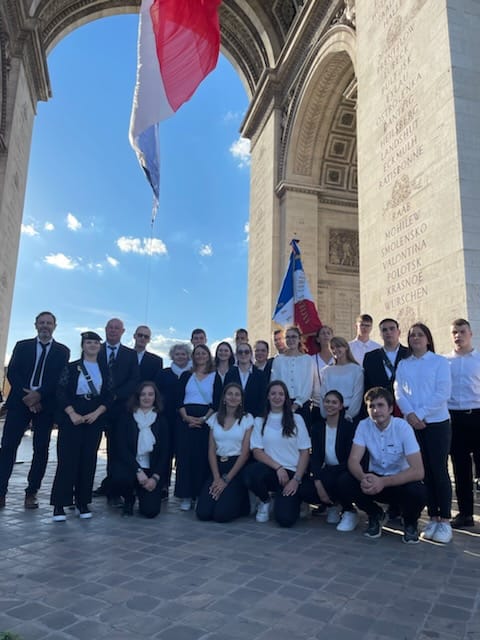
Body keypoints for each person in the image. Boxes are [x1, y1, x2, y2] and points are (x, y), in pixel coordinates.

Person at [0, 311, 70, 509]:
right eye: (42, 323)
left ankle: (32, 492)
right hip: (19, 403)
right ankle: (0, 491)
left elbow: (58, 378)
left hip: (45, 405)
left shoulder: (62, 351)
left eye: (49, 323)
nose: (45, 326)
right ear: (35, 325)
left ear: (55, 326)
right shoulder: (22, 346)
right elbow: (12, 372)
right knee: (7, 447)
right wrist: (29, 397)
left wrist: (39, 396)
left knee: (41, 449)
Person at [338, 387, 426, 543]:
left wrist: (383, 482)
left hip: (399, 482)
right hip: (375, 480)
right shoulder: (364, 426)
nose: (376, 410)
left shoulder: (403, 427)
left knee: (418, 490)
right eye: (371, 406)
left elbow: (418, 471)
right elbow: (353, 460)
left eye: (380, 405)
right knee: (345, 481)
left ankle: (410, 522)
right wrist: (363, 478)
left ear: (391, 408)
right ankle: (376, 514)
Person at [394, 323, 453, 543]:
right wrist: (409, 415)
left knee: (439, 471)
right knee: (423, 472)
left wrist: (420, 414)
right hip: (412, 424)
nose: (416, 338)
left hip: (436, 423)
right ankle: (433, 516)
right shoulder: (404, 364)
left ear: (428, 339)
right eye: (412, 336)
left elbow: (442, 392)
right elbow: (398, 391)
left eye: (420, 335)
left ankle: (445, 520)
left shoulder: (439, 362)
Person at [50, 331, 111, 521]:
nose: (92, 345)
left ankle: (82, 502)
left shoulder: (105, 369)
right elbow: (60, 391)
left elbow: (110, 394)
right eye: (89, 342)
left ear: (100, 346)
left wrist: (97, 412)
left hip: (94, 415)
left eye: (96, 342)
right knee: (67, 460)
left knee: (88, 460)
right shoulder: (72, 367)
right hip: (73, 414)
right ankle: (60, 504)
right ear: (83, 345)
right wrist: (71, 413)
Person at [245, 381, 311, 527]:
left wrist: (296, 480)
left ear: (286, 397)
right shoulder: (259, 421)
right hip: (272, 470)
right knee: (250, 473)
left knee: (285, 520)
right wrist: (278, 467)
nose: (277, 397)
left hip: (293, 474)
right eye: (273, 393)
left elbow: (305, 452)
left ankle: (297, 500)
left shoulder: (297, 419)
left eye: (281, 394)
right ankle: (265, 501)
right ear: (268, 397)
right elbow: (256, 451)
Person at [93, 318, 139, 503]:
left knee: (116, 450)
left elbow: (134, 380)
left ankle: (114, 490)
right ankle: (82, 489)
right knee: (91, 448)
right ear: (105, 330)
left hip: (120, 409)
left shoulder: (130, 354)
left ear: (123, 331)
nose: (113, 331)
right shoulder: (96, 350)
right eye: (110, 328)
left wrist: (115, 396)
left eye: (116, 328)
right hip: (96, 408)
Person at [196, 383, 253, 522]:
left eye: (237, 394)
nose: (233, 397)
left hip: (236, 468)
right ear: (224, 398)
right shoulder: (214, 418)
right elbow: (211, 449)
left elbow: (245, 453)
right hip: (217, 467)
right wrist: (217, 478)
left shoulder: (247, 419)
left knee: (221, 516)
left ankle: (243, 504)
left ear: (241, 399)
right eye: (230, 394)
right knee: (203, 513)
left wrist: (226, 480)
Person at [111, 382, 169, 518]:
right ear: (137, 397)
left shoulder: (161, 421)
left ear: (155, 397)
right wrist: (137, 470)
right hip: (132, 468)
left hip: (151, 471)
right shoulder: (126, 418)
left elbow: (165, 453)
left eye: (150, 394)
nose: (147, 398)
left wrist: (155, 478)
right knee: (119, 476)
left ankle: (143, 493)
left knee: (150, 512)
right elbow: (122, 448)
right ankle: (129, 499)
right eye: (143, 394)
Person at [175, 344, 220, 511]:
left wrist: (203, 419)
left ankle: (201, 494)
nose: (200, 356)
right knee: (185, 457)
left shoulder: (215, 376)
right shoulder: (186, 375)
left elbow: (216, 401)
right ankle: (186, 495)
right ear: (193, 357)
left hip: (206, 420)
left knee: (202, 457)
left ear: (209, 356)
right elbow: (178, 399)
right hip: (186, 419)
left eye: (204, 353)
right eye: (197, 354)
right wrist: (186, 417)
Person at [445, 319, 480, 529]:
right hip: (454, 418)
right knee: (460, 467)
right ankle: (465, 514)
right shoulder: (444, 361)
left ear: (471, 333)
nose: (458, 335)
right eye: (454, 332)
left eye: (462, 331)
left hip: (477, 414)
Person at [309, 390, 357, 531]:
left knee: (342, 481)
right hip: (328, 470)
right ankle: (332, 505)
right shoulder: (317, 428)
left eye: (334, 402)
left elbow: (350, 458)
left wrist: (329, 472)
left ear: (341, 406)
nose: (330, 405)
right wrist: (317, 482)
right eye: (327, 401)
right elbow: (316, 456)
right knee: (308, 487)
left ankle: (349, 510)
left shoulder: (349, 428)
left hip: (345, 470)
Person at [156, 343, 192, 497]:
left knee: (183, 453)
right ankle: (163, 484)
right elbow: (156, 393)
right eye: (177, 354)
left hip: (185, 418)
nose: (180, 357)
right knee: (165, 450)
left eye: (183, 354)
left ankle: (183, 487)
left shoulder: (193, 374)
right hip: (166, 417)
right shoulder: (163, 373)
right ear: (172, 356)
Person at [271, 326, 314, 431]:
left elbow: (308, 384)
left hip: (302, 405)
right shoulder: (278, 360)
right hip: (281, 404)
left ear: (299, 339)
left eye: (294, 337)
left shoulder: (307, 359)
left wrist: (296, 404)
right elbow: (274, 383)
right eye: (287, 337)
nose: (291, 340)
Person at [319, 337, 364, 423]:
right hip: (330, 412)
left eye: (338, 346)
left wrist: (350, 414)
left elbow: (358, 394)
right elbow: (323, 394)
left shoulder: (357, 370)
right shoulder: (326, 371)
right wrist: (325, 413)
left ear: (346, 347)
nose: (335, 350)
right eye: (332, 348)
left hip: (349, 414)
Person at [225, 343, 267, 418]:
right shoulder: (229, 374)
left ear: (251, 354)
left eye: (246, 352)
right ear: (236, 355)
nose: (243, 354)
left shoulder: (261, 375)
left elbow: (263, 399)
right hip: (233, 417)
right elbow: (225, 396)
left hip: (254, 417)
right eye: (240, 352)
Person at [311, 326, 334, 422]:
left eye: (328, 333)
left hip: (336, 405)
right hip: (318, 405)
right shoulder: (311, 359)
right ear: (318, 339)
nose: (326, 335)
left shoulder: (339, 358)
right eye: (323, 333)